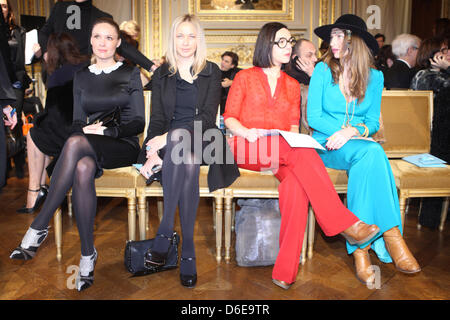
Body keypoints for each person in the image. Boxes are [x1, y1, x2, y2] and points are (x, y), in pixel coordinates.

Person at [223, 21, 381, 290]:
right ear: (267, 45)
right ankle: (341, 222)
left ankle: (285, 271)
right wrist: (247, 132)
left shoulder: (292, 85)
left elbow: (293, 129)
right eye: (282, 42)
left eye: (290, 41)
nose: (289, 47)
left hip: (280, 151)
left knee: (296, 184)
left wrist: (292, 140)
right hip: (245, 145)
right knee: (301, 151)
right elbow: (229, 118)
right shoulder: (245, 77)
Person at [10, 18, 146, 292]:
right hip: (86, 143)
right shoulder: (81, 76)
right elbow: (75, 124)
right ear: (91, 41)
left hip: (121, 143)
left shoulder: (129, 74)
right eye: (98, 37)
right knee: (82, 167)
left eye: (110, 38)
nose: (103, 43)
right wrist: (85, 129)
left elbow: (138, 123)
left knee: (74, 145)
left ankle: (39, 225)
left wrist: (106, 133)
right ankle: (87, 255)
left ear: (118, 43)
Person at [308, 14, 421, 286]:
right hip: (327, 145)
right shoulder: (323, 70)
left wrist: (353, 132)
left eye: (337, 35)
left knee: (369, 157)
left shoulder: (375, 77)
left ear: (352, 40)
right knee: (373, 154)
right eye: (331, 36)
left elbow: (371, 121)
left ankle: (361, 251)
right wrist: (341, 132)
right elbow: (313, 116)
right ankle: (393, 236)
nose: (331, 41)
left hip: (355, 144)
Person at [138, 14, 239, 288]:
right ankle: (189, 251)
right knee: (188, 158)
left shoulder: (212, 70)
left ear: (199, 40)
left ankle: (164, 234)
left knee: (185, 142)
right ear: (173, 39)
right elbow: (156, 117)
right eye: (180, 35)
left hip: (206, 138)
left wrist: (168, 138)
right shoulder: (161, 73)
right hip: (174, 147)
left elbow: (207, 118)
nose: (185, 41)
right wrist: (151, 150)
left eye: (191, 35)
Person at [16, 32, 88, 214]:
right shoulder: (86, 65)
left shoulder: (58, 75)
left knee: (34, 134)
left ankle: (35, 191)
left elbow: (53, 111)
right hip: (87, 127)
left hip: (70, 131)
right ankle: (39, 189)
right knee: (39, 132)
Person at [34, 0, 157, 73]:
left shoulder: (102, 17)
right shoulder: (60, 9)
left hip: (85, 77)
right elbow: (44, 33)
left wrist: (151, 66)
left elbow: (123, 45)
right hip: (58, 75)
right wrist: (45, 52)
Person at [410, 37, 450, 229]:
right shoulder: (426, 76)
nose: (448, 54)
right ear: (433, 54)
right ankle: (432, 218)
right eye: (443, 50)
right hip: (429, 135)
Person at [2, 0, 31, 178]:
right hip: (1, 82)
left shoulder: (19, 32)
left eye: (4, 6)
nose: (1, 9)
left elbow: (23, 59)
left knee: (14, 120)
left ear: (9, 10)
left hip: (15, 83)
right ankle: (5, 165)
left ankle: (19, 162)